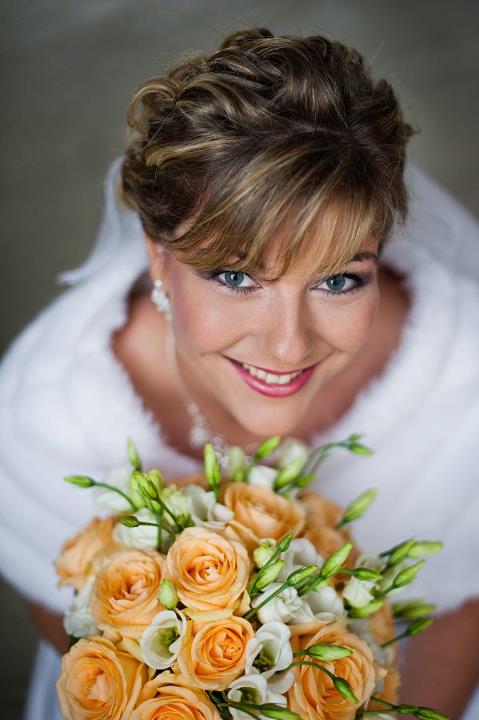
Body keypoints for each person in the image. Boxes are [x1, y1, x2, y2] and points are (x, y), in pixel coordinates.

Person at [0, 28, 478, 720]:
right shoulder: (49, 421)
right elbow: (88, 657)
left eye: (338, 280)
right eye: (235, 277)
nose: (288, 346)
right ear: (157, 256)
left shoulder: (460, 379)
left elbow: (462, 608)